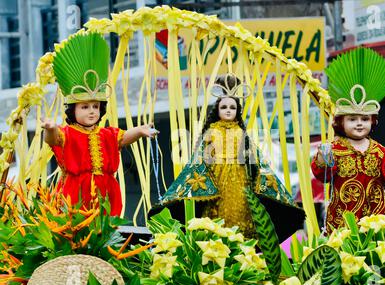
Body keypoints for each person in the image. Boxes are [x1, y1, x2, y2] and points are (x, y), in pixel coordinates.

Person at [153, 74, 304, 241]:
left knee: (240, 216)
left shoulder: (242, 134)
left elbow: (255, 160)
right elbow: (199, 161)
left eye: (232, 108)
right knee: (216, 218)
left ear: (237, 111)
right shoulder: (211, 133)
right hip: (217, 183)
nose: (228, 110)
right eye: (224, 107)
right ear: (218, 110)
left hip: (241, 183)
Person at [41, 32, 158, 216]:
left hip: (106, 192)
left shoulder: (106, 134)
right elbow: (52, 140)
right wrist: (50, 129)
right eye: (85, 107)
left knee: (107, 230)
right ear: (73, 110)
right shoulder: (67, 133)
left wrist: (140, 130)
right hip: (76, 193)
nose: (92, 111)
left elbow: (124, 138)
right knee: (78, 232)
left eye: (95, 106)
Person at [311, 47, 385, 233]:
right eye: (352, 119)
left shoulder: (381, 151)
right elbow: (323, 175)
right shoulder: (334, 148)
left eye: (364, 119)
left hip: (376, 221)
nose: (359, 124)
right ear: (340, 122)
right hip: (342, 224)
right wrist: (322, 162)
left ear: (373, 121)